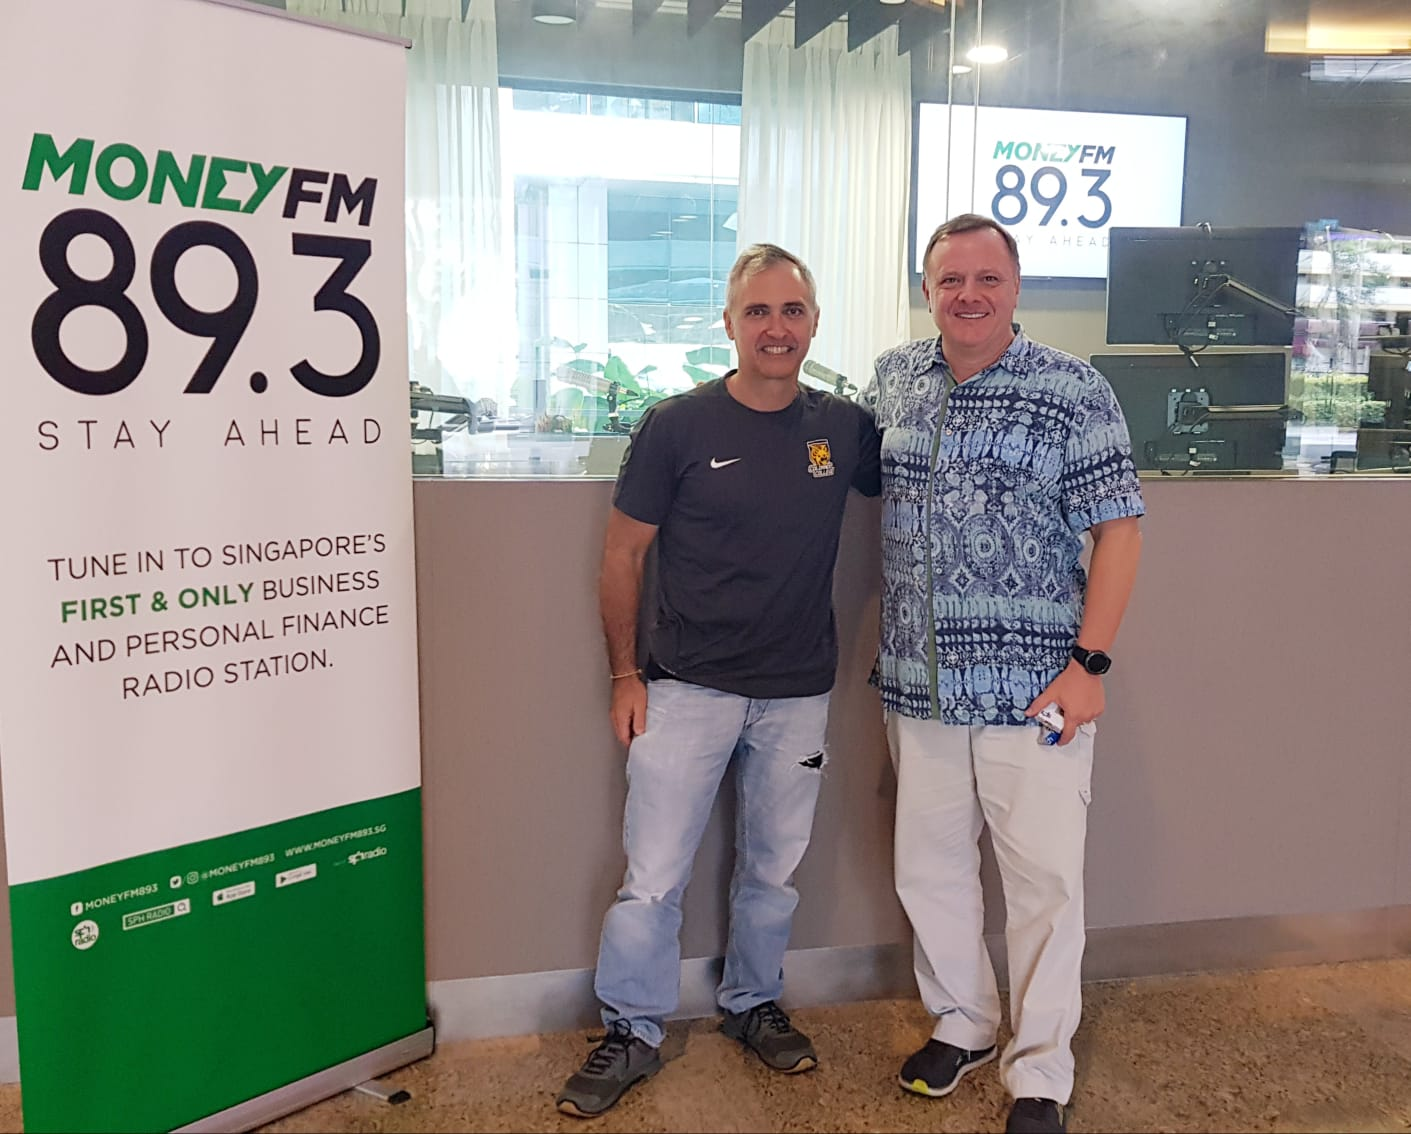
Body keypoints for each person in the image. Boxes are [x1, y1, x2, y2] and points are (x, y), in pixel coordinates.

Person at [556, 243, 882, 1118]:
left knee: (773, 870)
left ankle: (751, 1003)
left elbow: (918, 484)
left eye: (791, 311)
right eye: (757, 312)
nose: (776, 329)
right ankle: (631, 1030)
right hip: (684, 689)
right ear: (729, 324)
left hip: (798, 692)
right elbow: (621, 556)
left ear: (813, 322)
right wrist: (624, 675)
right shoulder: (676, 426)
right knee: (652, 878)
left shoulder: (844, 429)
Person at [861, 214, 1144, 1134]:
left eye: (987, 278)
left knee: (1043, 885)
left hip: (1038, 689)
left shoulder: (1073, 389)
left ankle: (1040, 1069)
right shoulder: (894, 378)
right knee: (928, 871)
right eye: (950, 280)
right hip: (921, 684)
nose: (968, 295)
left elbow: (1118, 531)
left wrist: (1088, 664)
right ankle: (964, 1023)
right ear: (927, 290)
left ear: (1016, 287)